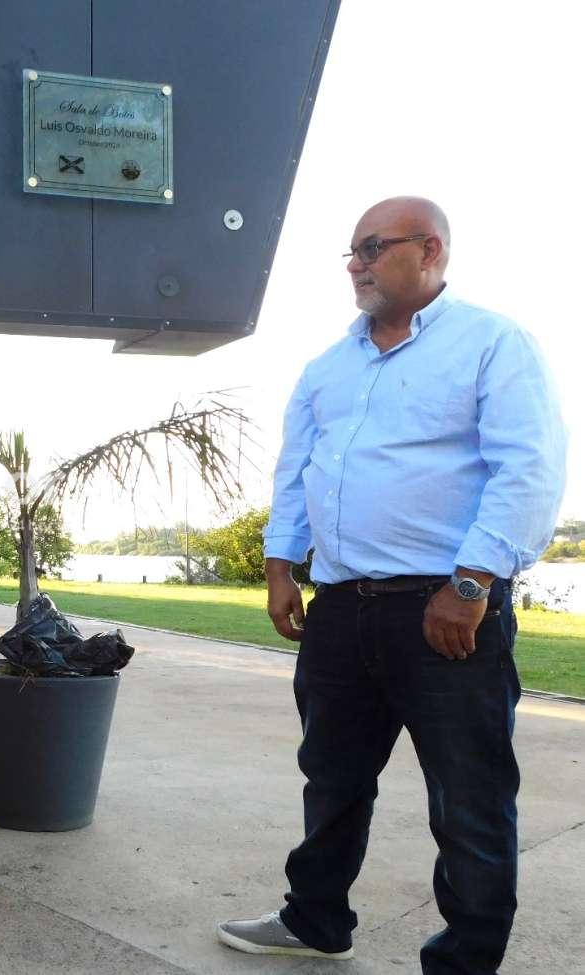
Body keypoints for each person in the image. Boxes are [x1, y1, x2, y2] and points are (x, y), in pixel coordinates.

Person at [217, 197, 567, 974]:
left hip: (445, 609)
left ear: (430, 249)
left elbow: (529, 468)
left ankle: (466, 959)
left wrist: (471, 584)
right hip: (341, 610)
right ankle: (315, 918)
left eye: (372, 247)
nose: (356, 264)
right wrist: (281, 566)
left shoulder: (491, 343)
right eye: (351, 251)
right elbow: (297, 472)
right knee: (331, 777)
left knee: (468, 796)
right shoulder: (328, 367)